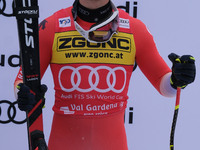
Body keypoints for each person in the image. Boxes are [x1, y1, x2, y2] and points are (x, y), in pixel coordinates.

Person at [14, 0, 196, 150]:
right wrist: (23, 94)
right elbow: (22, 80)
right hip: (63, 142)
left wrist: (178, 79)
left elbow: (165, 85)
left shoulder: (134, 29)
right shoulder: (52, 26)